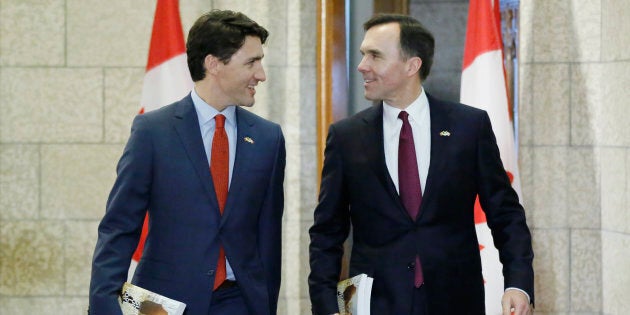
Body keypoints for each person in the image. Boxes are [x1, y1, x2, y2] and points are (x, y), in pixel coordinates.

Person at [308, 14, 534, 315]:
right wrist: (325, 305)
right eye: (363, 54)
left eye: (374, 55)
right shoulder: (346, 136)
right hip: (376, 304)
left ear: (412, 65)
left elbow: (506, 214)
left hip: (455, 300)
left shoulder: (469, 127)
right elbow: (327, 231)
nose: (362, 65)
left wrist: (517, 284)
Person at [89, 10, 285, 315]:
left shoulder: (268, 138)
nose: (261, 74)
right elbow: (119, 226)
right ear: (214, 64)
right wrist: (104, 306)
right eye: (251, 62)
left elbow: (268, 236)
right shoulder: (152, 131)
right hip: (165, 303)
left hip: (240, 303)